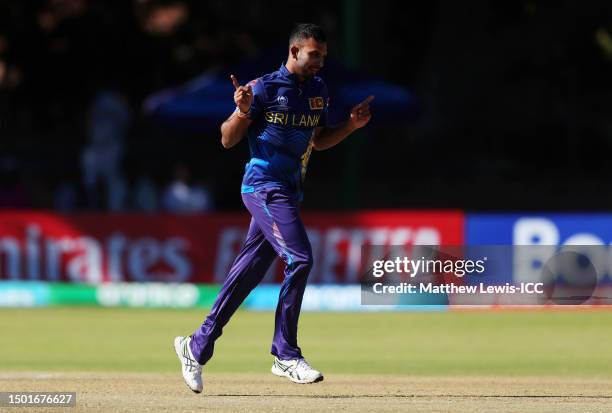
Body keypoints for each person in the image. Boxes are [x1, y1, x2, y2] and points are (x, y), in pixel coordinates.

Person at [174, 23, 374, 393]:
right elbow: (227, 139)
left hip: (289, 191)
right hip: (263, 186)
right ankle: (285, 354)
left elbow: (319, 140)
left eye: (324, 57)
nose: (320, 63)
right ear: (295, 52)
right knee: (300, 258)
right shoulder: (263, 88)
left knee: (247, 273)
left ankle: (196, 344)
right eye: (314, 55)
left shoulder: (318, 90)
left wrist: (349, 126)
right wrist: (241, 112)